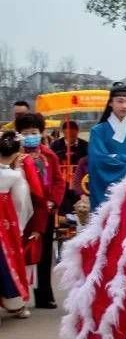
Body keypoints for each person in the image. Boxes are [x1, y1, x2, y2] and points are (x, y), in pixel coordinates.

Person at [14, 112, 64, 309]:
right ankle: (18, 297)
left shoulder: (48, 154)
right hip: (21, 211)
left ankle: (44, 294)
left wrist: (53, 201)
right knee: (20, 252)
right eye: (25, 133)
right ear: (18, 134)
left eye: (34, 132)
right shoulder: (14, 155)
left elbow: (59, 181)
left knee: (43, 255)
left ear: (41, 132)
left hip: (45, 210)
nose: (30, 136)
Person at [87, 82, 126, 210]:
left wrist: (118, 157)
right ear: (110, 103)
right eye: (120, 101)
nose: (125, 106)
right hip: (107, 190)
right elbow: (99, 161)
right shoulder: (98, 131)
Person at [0, 131, 33, 322]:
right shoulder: (14, 175)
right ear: (16, 153)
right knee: (8, 260)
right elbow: (21, 203)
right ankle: (15, 304)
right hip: (4, 221)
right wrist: (19, 226)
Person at [50, 120, 88, 215]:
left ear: (77, 132)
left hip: (79, 180)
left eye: (73, 135)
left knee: (79, 203)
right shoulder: (55, 145)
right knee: (63, 203)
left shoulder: (85, 145)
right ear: (63, 132)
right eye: (68, 134)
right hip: (62, 179)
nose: (71, 137)